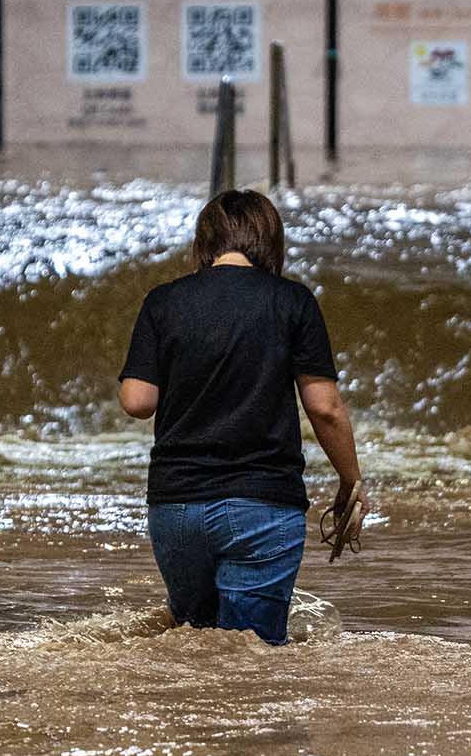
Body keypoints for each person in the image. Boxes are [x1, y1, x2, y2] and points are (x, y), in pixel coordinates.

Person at [118, 189, 364, 646]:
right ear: (269, 240)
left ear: (204, 241)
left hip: (177, 508)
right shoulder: (292, 302)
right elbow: (325, 408)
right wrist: (351, 481)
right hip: (261, 506)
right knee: (252, 660)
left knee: (198, 648)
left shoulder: (164, 301)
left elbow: (137, 401)